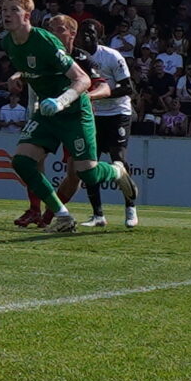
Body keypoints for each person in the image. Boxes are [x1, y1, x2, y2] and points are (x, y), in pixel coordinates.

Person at [0, 0, 139, 235]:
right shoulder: (7, 42)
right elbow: (37, 69)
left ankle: (117, 170)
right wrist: (19, 76)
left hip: (72, 110)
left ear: (27, 15)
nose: (7, 15)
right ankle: (62, 215)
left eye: (13, 10)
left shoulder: (44, 41)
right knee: (21, 161)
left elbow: (82, 80)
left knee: (88, 172)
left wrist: (61, 101)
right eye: (4, 10)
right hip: (47, 112)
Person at [53, 19, 141, 229]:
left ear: (99, 36)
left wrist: (93, 96)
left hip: (118, 112)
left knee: (118, 158)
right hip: (92, 115)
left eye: (91, 33)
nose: (87, 36)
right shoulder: (75, 57)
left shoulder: (111, 56)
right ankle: (98, 214)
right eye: (83, 32)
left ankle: (130, 207)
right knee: (88, 164)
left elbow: (128, 88)